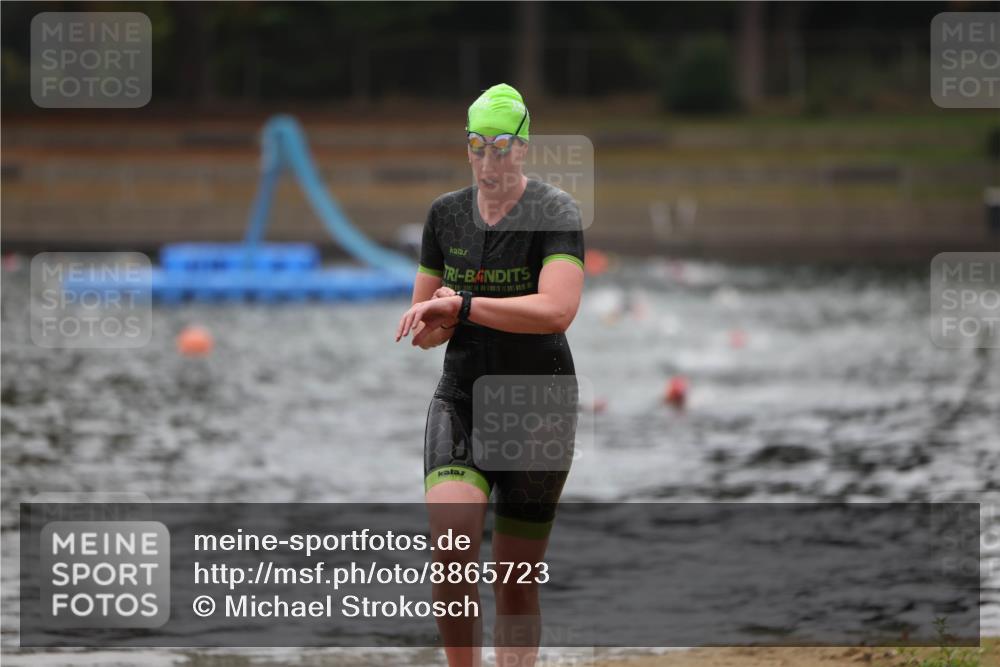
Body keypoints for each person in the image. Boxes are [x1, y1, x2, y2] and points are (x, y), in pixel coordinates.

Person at [395, 83, 585, 667]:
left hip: (539, 408)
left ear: (524, 147)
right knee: (451, 553)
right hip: (463, 398)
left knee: (513, 580)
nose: (487, 160)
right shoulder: (445, 215)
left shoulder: (555, 212)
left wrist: (467, 304)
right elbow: (426, 329)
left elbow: (558, 310)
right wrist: (439, 316)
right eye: (476, 145)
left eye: (501, 145)